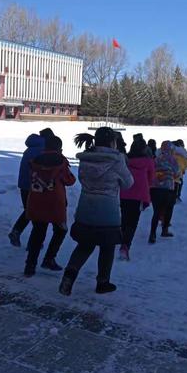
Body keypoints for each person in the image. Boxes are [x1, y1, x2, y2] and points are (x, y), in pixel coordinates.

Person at [58, 127, 133, 296]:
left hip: (86, 207)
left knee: (84, 244)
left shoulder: (86, 158)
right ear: (112, 142)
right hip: (108, 211)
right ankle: (102, 282)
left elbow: (83, 179)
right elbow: (128, 183)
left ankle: (70, 273)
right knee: (107, 247)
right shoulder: (117, 160)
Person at [24, 136, 76, 276]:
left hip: (36, 201)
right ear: (59, 148)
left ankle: (30, 265)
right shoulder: (61, 162)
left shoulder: (35, 161)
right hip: (55, 204)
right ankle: (49, 258)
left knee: (37, 233)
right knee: (60, 231)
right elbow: (70, 180)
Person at [9, 128, 55, 247]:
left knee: (30, 210)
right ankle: (34, 241)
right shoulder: (44, 150)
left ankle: (19, 232)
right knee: (35, 212)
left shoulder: (31, 148)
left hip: (24, 184)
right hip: (35, 185)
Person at [119, 136, 155, 260]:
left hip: (123, 192)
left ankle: (120, 238)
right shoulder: (148, 161)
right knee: (133, 222)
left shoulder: (125, 159)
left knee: (123, 218)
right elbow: (151, 179)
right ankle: (125, 245)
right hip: (139, 195)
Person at [149, 141, 181, 243]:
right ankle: (164, 230)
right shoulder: (173, 160)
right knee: (169, 209)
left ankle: (152, 234)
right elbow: (177, 173)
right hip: (168, 188)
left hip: (155, 188)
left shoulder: (156, 159)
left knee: (156, 212)